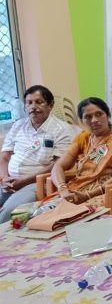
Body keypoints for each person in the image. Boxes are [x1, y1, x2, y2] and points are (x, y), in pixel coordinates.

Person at [0, 86, 73, 222]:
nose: (33, 107)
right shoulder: (18, 126)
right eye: (29, 103)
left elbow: (58, 164)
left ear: (50, 105)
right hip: (8, 182)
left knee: (8, 214)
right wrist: (4, 178)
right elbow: (5, 157)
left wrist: (22, 181)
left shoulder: (62, 130)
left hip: (35, 183)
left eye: (39, 102)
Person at [51, 97, 112, 207]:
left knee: (79, 212)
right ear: (82, 121)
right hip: (81, 186)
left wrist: (88, 195)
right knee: (47, 209)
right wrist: (62, 188)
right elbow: (58, 166)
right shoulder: (83, 138)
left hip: (110, 190)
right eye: (88, 117)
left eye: (99, 114)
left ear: (108, 115)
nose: (94, 120)